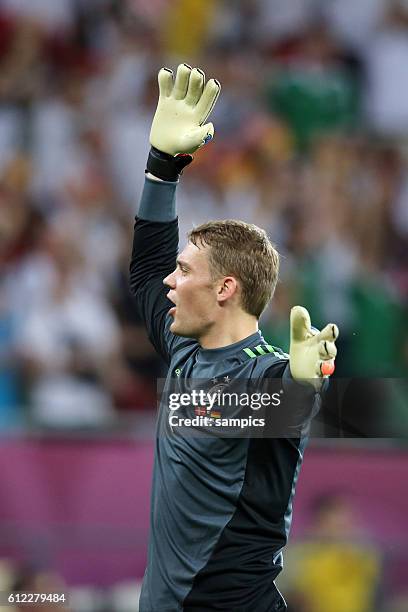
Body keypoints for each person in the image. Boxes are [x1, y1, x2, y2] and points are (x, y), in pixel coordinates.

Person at [130, 63, 339, 612]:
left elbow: (290, 401)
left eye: (184, 271)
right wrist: (162, 169)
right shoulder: (181, 346)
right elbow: (146, 268)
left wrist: (304, 376)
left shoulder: (262, 375)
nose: (169, 282)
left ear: (224, 288)